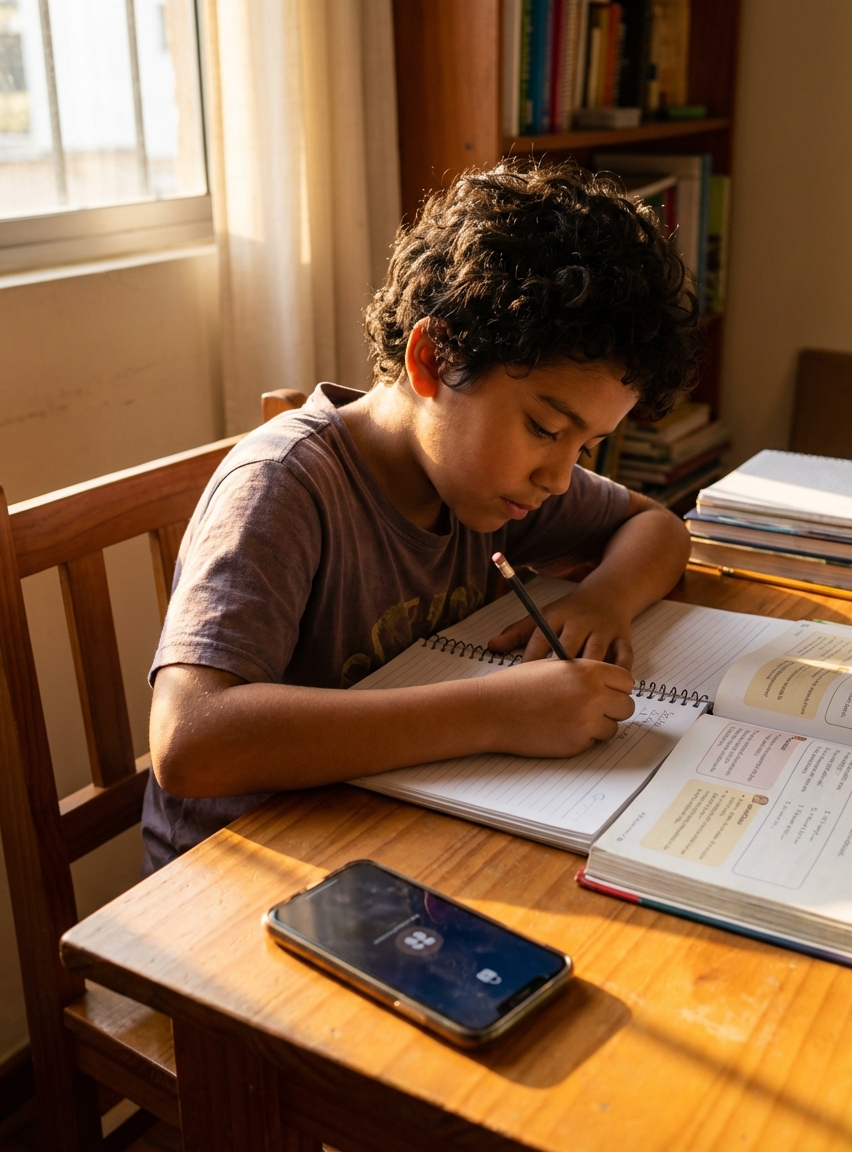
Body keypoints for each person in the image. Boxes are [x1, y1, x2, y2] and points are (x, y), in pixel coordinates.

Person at [143, 159, 698, 873]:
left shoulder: (484, 483)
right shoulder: (283, 488)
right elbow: (190, 742)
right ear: (433, 358)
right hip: (240, 880)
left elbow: (658, 527)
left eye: (586, 445)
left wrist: (604, 597)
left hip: (393, 832)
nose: (560, 478)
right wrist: (496, 712)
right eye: (545, 428)